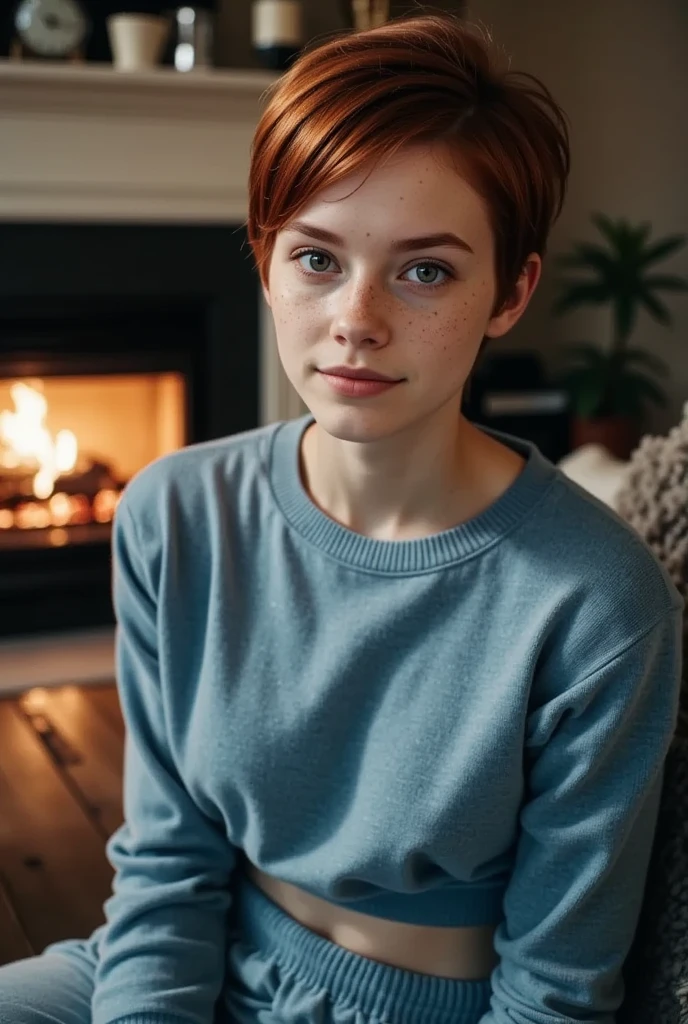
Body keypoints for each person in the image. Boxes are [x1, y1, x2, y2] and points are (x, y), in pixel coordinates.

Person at [0, 12, 683, 1024]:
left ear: (510, 290)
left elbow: (555, 990)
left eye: (424, 270)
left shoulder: (595, 600)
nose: (356, 319)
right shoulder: (173, 513)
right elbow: (169, 861)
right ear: (265, 259)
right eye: (316, 258)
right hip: (194, 954)